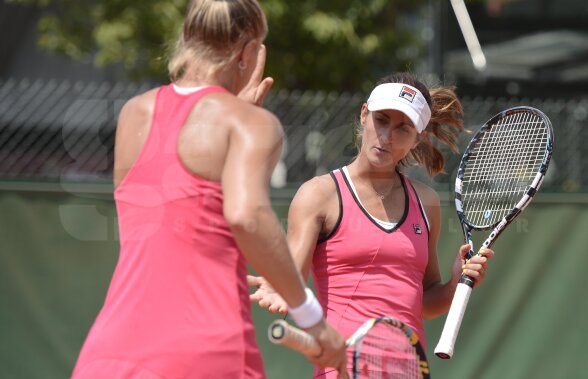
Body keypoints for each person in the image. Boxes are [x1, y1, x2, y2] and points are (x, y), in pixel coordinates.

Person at [71, 1, 348, 378]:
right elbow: (246, 216)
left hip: (107, 354)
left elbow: (164, 221)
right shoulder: (250, 123)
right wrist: (314, 320)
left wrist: (234, 110)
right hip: (205, 354)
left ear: (187, 39)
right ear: (249, 53)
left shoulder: (133, 113)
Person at [249, 72, 494, 377]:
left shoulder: (426, 203)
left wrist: (456, 283)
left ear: (417, 136)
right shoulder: (319, 194)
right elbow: (293, 277)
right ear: (364, 115)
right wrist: (280, 286)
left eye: (402, 128)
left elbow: (425, 301)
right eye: (381, 120)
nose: (387, 136)